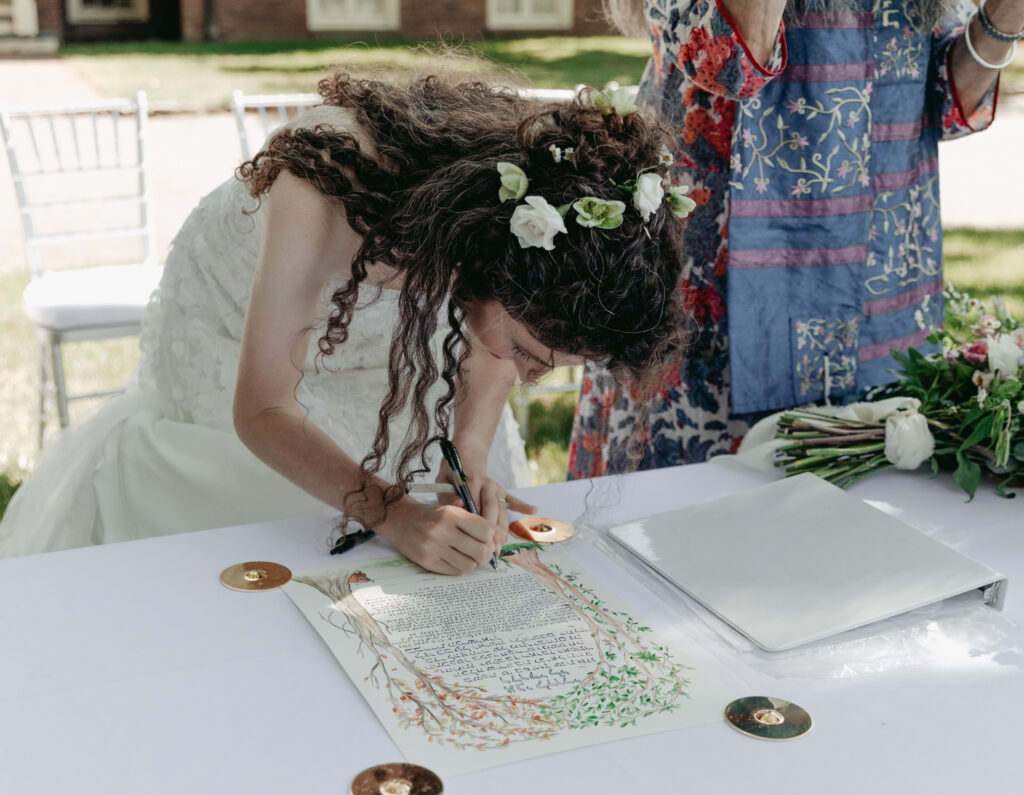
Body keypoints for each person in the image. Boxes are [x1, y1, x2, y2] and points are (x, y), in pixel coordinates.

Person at [0, 73, 691, 574]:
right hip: (233, 324)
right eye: (532, 354)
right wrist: (395, 514)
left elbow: (496, 342)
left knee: (435, 459)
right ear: (498, 273)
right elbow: (264, 409)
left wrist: (471, 450)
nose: (532, 378)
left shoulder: (516, 239)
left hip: (383, 331)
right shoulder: (322, 194)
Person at [570, 0, 1021, 476]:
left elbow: (947, 103)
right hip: (718, 267)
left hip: (882, 271)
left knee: (870, 511)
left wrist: (1008, 11)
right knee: (694, 512)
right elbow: (726, 63)